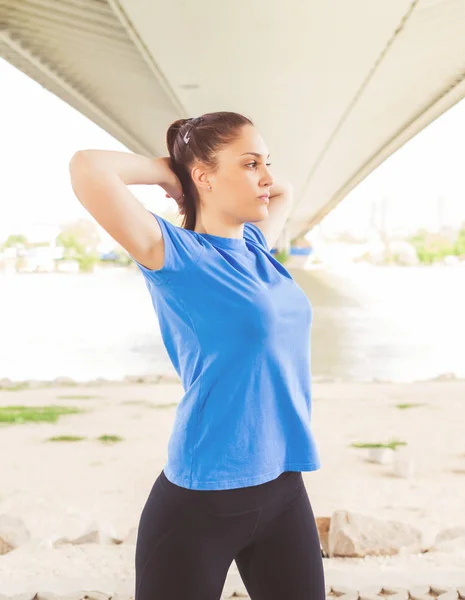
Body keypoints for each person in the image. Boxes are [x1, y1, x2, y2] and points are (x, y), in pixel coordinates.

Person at [68, 111, 325, 599]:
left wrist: (242, 166)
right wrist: (173, 171)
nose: (266, 177)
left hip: (283, 488)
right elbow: (87, 166)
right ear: (204, 177)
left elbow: (284, 190)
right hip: (201, 502)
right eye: (250, 164)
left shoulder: (254, 246)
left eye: (265, 162)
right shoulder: (177, 256)